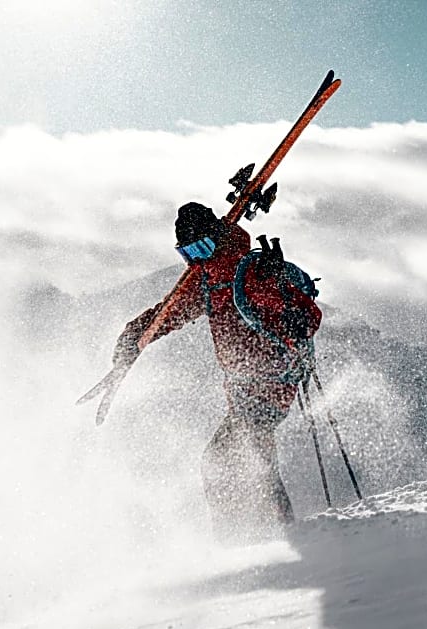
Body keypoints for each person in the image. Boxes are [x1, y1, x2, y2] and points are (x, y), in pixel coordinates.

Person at [113, 202, 322, 537]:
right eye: (189, 253)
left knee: (229, 459)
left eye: (203, 248)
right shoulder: (206, 282)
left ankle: (251, 538)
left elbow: (307, 313)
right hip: (241, 391)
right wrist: (132, 338)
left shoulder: (250, 271)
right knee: (245, 459)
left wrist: (296, 316)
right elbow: (168, 314)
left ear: (217, 238)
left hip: (270, 384)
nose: (198, 258)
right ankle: (265, 534)